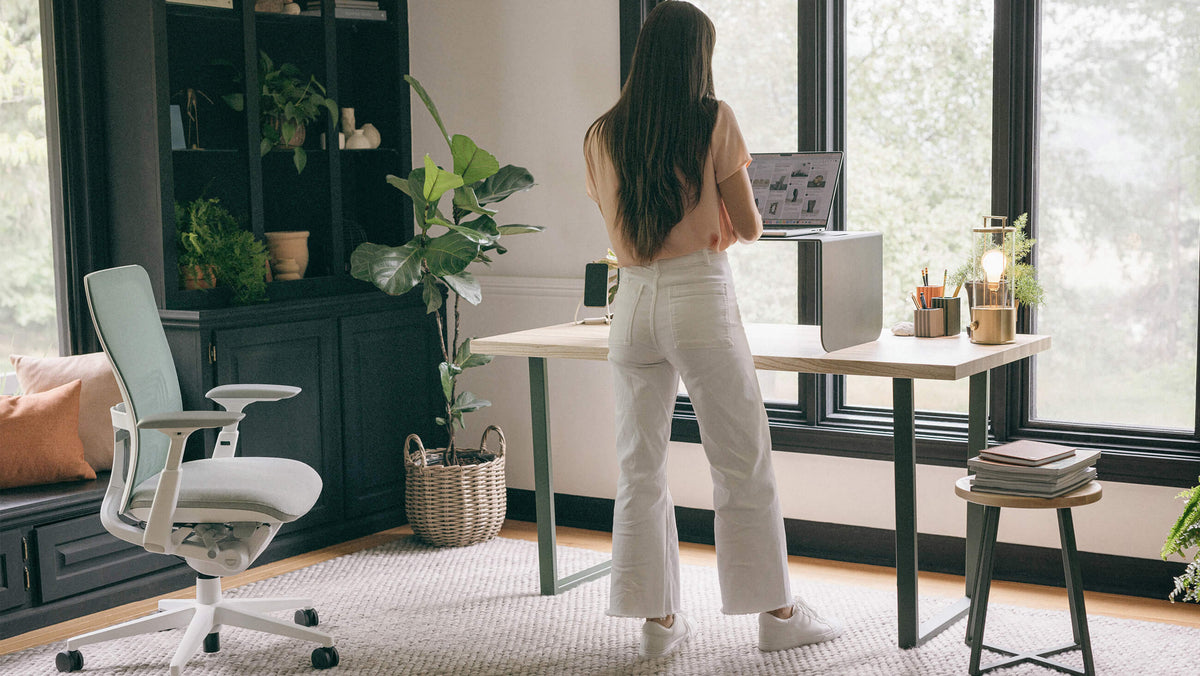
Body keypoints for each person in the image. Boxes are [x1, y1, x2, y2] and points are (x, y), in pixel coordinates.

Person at [582, 0, 843, 660]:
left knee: (639, 467)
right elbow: (751, 225)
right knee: (741, 460)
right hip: (699, 295)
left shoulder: (601, 134)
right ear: (698, 57)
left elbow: (620, 226)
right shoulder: (712, 119)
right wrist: (722, 219)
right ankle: (777, 616)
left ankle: (657, 626)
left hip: (633, 303)